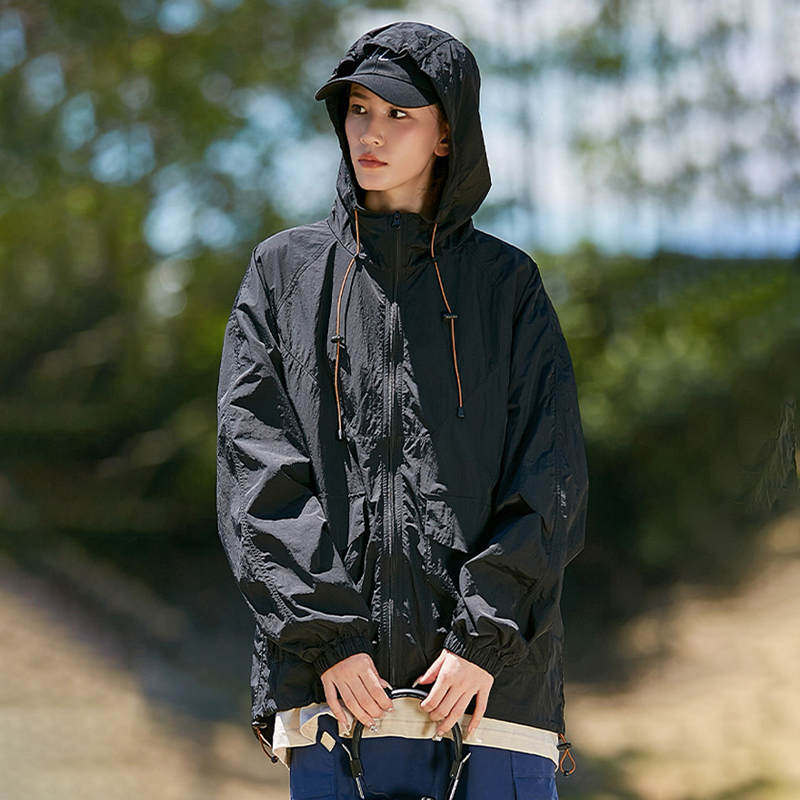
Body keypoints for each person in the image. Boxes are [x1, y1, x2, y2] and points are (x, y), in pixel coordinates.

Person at [216, 20, 588, 800]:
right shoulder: (282, 275)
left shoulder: (507, 287)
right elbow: (255, 473)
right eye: (358, 110)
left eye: (398, 114)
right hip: (336, 700)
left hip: (491, 700)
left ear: (446, 134)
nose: (371, 133)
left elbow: (549, 479)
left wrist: (483, 639)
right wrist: (328, 639)